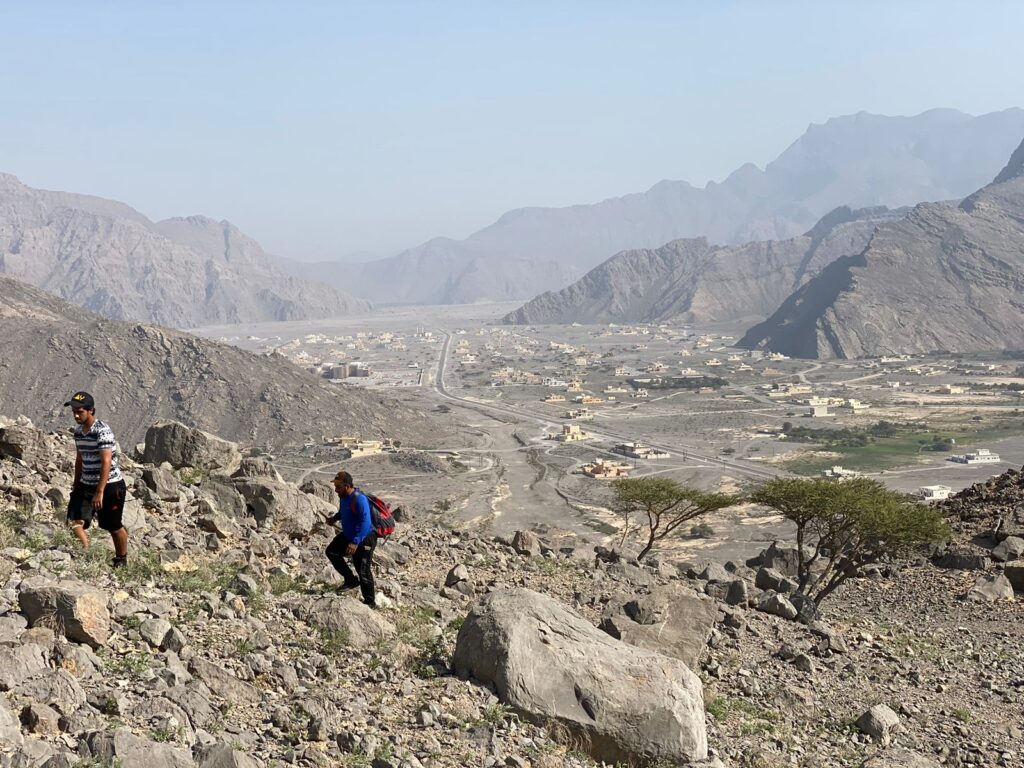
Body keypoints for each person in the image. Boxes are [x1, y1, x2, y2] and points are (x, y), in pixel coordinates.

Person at [65, 391, 129, 567]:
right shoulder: (78, 432)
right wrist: (76, 486)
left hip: (110, 486)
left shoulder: (103, 431)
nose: (76, 415)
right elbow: (80, 459)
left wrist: (99, 492)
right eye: (74, 411)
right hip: (86, 483)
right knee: (75, 520)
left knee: (113, 525)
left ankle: (121, 559)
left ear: (91, 410)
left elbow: (106, 461)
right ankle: (84, 554)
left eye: (80, 411)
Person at [325, 470, 377, 608]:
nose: (336, 490)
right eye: (335, 487)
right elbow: (343, 512)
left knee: (363, 571)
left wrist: (355, 542)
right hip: (349, 536)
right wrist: (333, 519)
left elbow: (365, 523)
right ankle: (350, 580)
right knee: (331, 551)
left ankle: (370, 603)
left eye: (338, 487)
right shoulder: (344, 497)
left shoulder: (359, 499)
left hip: (364, 539)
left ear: (347, 486)